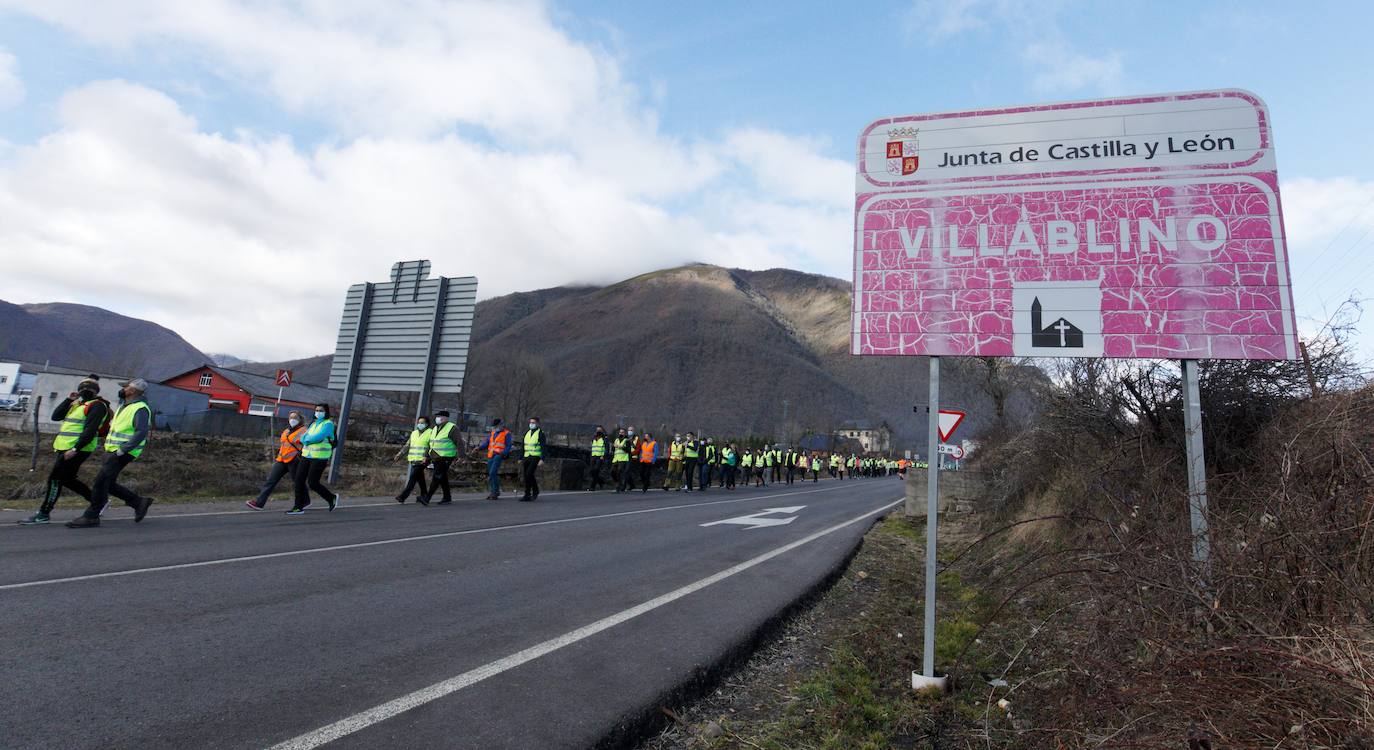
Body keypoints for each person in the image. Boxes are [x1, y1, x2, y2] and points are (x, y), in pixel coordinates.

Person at [20, 376, 110, 525]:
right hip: (64, 447)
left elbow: (90, 430)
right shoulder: (77, 404)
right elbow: (56, 416)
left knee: (55, 479)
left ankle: (43, 513)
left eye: (89, 389)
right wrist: (68, 400)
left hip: (78, 448)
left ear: (96, 392)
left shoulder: (98, 406)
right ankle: (98, 501)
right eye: (82, 388)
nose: (85, 391)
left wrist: (75, 448)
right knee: (67, 479)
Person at [67, 378, 155, 528]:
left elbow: (141, 433)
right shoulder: (125, 405)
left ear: (132, 391)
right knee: (107, 482)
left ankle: (91, 516)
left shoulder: (139, 408)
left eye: (126, 387)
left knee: (100, 483)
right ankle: (138, 502)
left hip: (123, 452)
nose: (123, 389)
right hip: (114, 450)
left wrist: (122, 450)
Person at [246, 410, 306, 510]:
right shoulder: (287, 430)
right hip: (281, 460)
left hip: (294, 460)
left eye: (295, 418)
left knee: (298, 482)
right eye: (291, 417)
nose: (292, 420)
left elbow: (307, 444)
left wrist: (300, 456)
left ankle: (305, 501)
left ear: (300, 419)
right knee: (270, 481)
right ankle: (259, 503)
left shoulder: (304, 431)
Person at [288, 403, 340, 515]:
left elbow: (319, 437)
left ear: (326, 412)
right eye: (316, 410)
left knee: (312, 483)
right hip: (306, 455)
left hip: (320, 457)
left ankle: (331, 498)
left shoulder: (328, 424)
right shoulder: (313, 424)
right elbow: (303, 437)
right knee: (299, 480)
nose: (318, 412)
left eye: (321, 410)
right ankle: (298, 507)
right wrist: (307, 439)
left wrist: (307, 440)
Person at [393, 415, 432, 505]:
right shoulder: (414, 433)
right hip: (413, 460)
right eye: (419, 422)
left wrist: (426, 456)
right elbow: (407, 445)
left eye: (422, 423)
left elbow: (431, 446)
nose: (420, 424)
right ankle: (424, 495)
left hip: (424, 460)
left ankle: (402, 497)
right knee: (420, 478)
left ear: (427, 424)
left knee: (413, 478)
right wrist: (399, 454)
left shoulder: (430, 433)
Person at [424, 410, 459, 504]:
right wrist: (426, 455)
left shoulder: (452, 428)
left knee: (437, 477)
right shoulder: (435, 428)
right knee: (442, 477)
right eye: (437, 416)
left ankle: (427, 498)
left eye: (440, 416)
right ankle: (447, 498)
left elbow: (459, 442)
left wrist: (462, 456)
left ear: (446, 418)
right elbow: (431, 443)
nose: (437, 418)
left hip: (446, 457)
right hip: (436, 457)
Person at [472, 418, 511, 500]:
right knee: (491, 473)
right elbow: (487, 443)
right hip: (491, 455)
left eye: (496, 426)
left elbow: (508, 446)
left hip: (498, 455)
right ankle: (494, 491)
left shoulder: (506, 434)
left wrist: (504, 453)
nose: (495, 427)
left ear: (501, 425)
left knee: (493, 472)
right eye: (494, 426)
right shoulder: (492, 433)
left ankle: (495, 491)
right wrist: (479, 448)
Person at [520, 416, 544, 502]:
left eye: (533, 423)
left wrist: (542, 459)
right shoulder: (527, 433)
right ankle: (527, 494)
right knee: (526, 475)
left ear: (537, 423)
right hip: (527, 456)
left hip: (535, 456)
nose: (531, 424)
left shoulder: (540, 433)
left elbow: (543, 447)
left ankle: (535, 490)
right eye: (530, 422)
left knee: (529, 474)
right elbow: (523, 445)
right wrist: (520, 457)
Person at [587, 425, 609, 491]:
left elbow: (607, 449)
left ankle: (592, 487)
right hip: (593, 457)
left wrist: (603, 456)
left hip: (600, 457)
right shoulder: (594, 438)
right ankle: (601, 481)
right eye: (597, 430)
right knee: (591, 471)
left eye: (600, 430)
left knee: (596, 470)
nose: (598, 431)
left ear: (602, 431)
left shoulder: (605, 439)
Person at [612, 427, 632, 493]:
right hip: (616, 459)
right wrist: (613, 447)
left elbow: (629, 450)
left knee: (619, 472)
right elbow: (613, 449)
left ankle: (619, 486)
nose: (621, 433)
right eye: (620, 432)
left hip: (623, 459)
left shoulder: (627, 440)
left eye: (622, 432)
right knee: (612, 472)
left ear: (625, 433)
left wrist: (621, 447)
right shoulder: (616, 440)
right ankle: (618, 483)